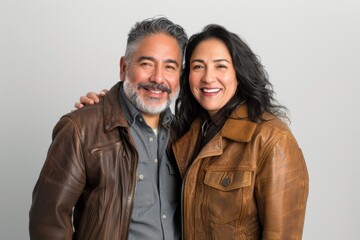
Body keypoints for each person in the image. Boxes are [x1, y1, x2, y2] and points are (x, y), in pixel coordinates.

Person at [78, 24, 309, 239]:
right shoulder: (185, 133)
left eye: (221, 66)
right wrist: (106, 107)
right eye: (198, 66)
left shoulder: (272, 140)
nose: (208, 78)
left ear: (239, 72)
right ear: (186, 77)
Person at [29, 17, 188, 240]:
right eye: (146, 64)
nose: (158, 78)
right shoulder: (81, 129)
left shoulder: (187, 133)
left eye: (169, 67)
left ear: (180, 77)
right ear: (124, 68)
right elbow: (47, 221)